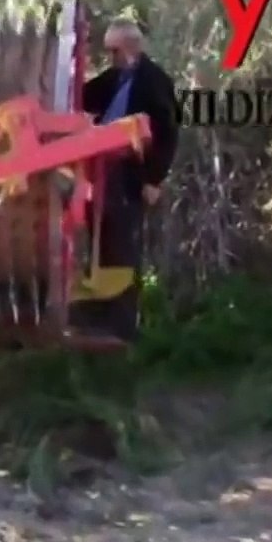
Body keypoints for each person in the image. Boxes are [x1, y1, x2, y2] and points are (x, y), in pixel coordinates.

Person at [74, 17, 180, 342]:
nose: (110, 57)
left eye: (114, 50)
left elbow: (169, 132)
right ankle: (99, 319)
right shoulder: (116, 77)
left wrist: (153, 179)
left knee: (123, 246)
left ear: (132, 47)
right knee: (101, 240)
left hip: (131, 175)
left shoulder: (154, 81)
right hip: (101, 172)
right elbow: (84, 96)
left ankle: (123, 329)